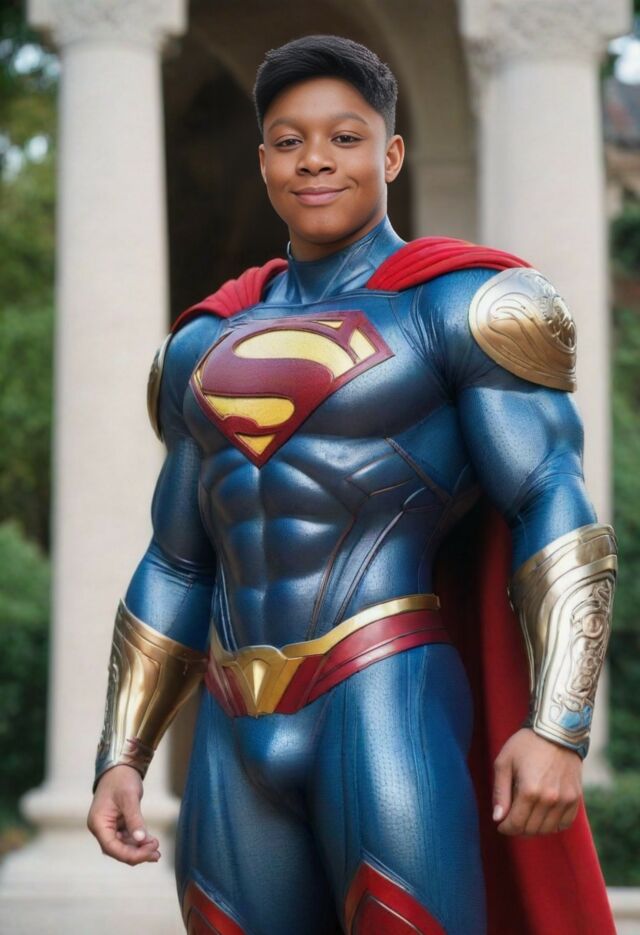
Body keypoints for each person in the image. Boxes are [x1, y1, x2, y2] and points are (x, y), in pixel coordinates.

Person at [87, 35, 617, 935]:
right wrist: (121, 753)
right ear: (264, 161)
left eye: (344, 137)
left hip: (383, 690)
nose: (315, 161)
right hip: (231, 716)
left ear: (391, 153)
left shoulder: (464, 308)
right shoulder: (199, 346)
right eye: (289, 142)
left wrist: (559, 724)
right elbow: (177, 562)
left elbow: (551, 503)